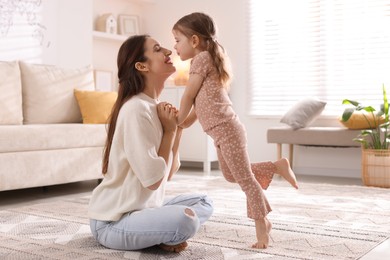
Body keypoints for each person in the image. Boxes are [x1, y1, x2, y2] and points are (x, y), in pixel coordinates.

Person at [172, 12, 298, 249]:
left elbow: (189, 94)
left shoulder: (200, 60)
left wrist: (178, 118)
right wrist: (186, 122)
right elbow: (203, 101)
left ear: (195, 40)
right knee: (231, 175)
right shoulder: (207, 60)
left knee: (247, 181)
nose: (175, 46)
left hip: (227, 130)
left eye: (178, 40)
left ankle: (263, 225)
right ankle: (276, 166)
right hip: (222, 132)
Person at [88, 35, 214, 253]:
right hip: (113, 221)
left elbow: (169, 172)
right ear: (141, 66)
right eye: (157, 49)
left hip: (144, 209)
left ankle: (158, 233)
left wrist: (178, 128)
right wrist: (169, 131)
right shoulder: (135, 109)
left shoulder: (154, 106)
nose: (168, 51)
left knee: (203, 202)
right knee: (187, 221)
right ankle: (161, 234)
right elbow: (153, 181)